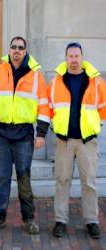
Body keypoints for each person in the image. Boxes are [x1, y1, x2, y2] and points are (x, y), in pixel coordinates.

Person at [0, 37, 50, 234]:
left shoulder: (35, 75)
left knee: (24, 177)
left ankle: (28, 219)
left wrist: (41, 134)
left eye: (21, 48)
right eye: (14, 47)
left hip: (24, 134)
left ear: (25, 50)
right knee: (3, 177)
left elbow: (44, 106)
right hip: (2, 133)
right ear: (9, 50)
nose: (17, 51)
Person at [48, 42, 106, 239]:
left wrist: (96, 128)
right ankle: (60, 220)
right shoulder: (57, 81)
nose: (73, 60)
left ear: (82, 57)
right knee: (62, 181)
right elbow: (49, 107)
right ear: (66, 58)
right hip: (64, 141)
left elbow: (103, 108)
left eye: (76, 56)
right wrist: (54, 126)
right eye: (70, 56)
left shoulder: (96, 81)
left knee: (89, 182)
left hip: (86, 142)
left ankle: (92, 221)